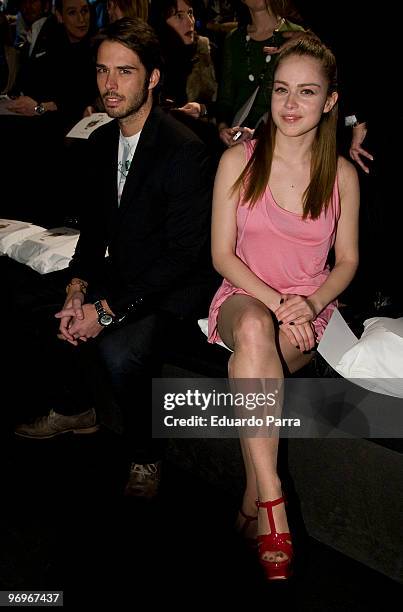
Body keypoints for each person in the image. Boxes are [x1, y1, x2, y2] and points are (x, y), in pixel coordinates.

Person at [10, 17, 212, 499]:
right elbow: (93, 233)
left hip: (173, 289)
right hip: (124, 271)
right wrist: (77, 289)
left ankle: (146, 456)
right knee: (37, 301)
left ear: (153, 78)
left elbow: (183, 256)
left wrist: (105, 309)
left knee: (121, 351)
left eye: (125, 72)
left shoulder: (184, 149)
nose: (110, 85)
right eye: (103, 71)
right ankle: (78, 407)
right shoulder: (101, 141)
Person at [207, 37, 359, 579]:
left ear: (330, 101)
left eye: (307, 92)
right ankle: (274, 499)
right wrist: (277, 304)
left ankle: (252, 499)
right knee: (251, 330)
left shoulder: (342, 175)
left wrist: (310, 303)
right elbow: (221, 255)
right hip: (246, 296)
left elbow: (346, 263)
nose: (291, 104)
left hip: (308, 313)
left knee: (255, 373)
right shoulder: (237, 160)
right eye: (281, 90)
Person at [216, 0, 306, 147]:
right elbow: (225, 97)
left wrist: (257, 133)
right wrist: (223, 128)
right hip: (238, 138)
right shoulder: (235, 39)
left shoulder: (297, 36)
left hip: (279, 139)